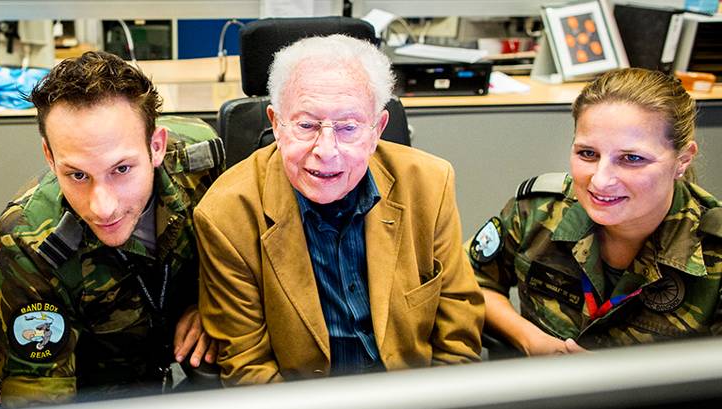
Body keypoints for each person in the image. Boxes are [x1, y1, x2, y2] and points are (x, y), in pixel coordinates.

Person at [194, 34, 484, 385]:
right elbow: (248, 367)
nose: (326, 150)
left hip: (413, 398)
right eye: (306, 125)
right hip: (302, 407)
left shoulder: (429, 184)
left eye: (348, 128)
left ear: (377, 130)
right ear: (276, 124)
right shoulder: (225, 214)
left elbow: (458, 332)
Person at [0, 51, 223, 406]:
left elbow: (242, 253)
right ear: (49, 157)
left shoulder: (199, 161)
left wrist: (213, 302)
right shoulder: (27, 239)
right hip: (98, 404)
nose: (103, 207)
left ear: (157, 146)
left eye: (122, 169)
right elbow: (37, 401)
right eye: (78, 175)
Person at [467, 67, 722, 356]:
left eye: (631, 158)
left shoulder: (714, 248)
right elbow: (468, 281)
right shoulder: (538, 211)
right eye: (588, 154)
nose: (600, 181)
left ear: (683, 160)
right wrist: (529, 339)